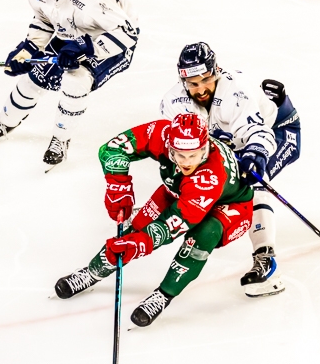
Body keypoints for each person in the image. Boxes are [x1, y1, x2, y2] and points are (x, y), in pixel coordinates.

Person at [54, 113, 254, 327]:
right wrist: (117, 183)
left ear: (205, 148)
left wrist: (142, 244)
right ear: (170, 145)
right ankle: (92, 272)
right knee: (135, 229)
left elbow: (175, 224)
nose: (186, 162)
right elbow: (112, 148)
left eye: (193, 155)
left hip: (229, 206)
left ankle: (163, 295)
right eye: (179, 154)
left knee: (201, 237)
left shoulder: (209, 177)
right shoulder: (161, 133)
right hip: (178, 191)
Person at [158, 42, 302, 297]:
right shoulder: (173, 102)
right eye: (193, 84)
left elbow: (257, 133)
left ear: (216, 71)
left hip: (277, 133)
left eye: (205, 80)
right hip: (229, 147)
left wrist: (255, 153)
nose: (200, 89)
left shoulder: (236, 91)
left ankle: (266, 261)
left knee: (254, 181)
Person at [0, 0, 139, 168]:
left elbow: (128, 33)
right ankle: (5, 123)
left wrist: (85, 49)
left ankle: (61, 139)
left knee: (76, 80)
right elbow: (45, 20)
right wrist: (29, 49)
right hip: (72, 34)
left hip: (109, 41)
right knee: (34, 78)